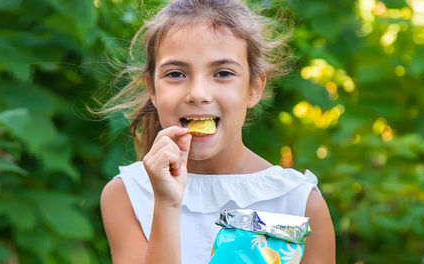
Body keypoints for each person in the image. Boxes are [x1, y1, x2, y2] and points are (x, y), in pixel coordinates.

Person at [97, 0, 335, 263]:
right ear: (152, 90)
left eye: (222, 73)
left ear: (254, 87)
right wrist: (166, 205)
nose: (198, 94)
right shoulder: (127, 195)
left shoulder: (299, 202)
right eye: (176, 74)